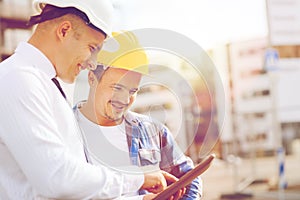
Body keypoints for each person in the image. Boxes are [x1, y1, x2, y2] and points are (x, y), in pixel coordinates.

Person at [0, 1, 176, 199]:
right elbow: (58, 179)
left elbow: (72, 191)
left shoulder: (46, 85)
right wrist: (138, 180)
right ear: (64, 30)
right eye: (92, 47)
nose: (92, 63)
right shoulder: (18, 79)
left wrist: (141, 199)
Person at [73, 31, 203, 199]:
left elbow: (189, 177)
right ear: (92, 78)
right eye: (117, 87)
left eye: (133, 91)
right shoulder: (65, 129)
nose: (125, 99)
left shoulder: (152, 131)